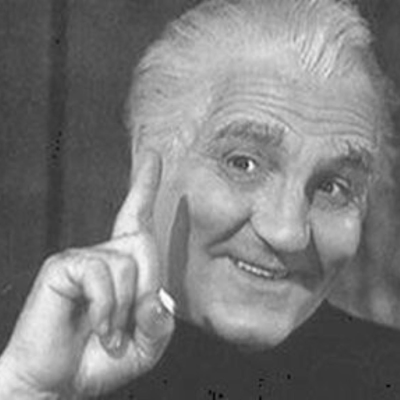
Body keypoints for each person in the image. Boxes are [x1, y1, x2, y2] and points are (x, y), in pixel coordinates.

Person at [1, 0, 400, 398]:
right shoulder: (22, 357)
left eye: (332, 187)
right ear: (147, 157)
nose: (287, 233)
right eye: (243, 164)